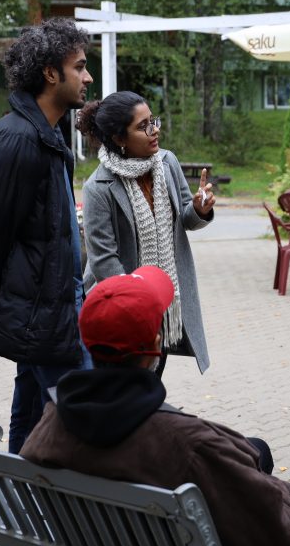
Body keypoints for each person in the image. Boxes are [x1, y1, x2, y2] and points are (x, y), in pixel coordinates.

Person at [19, 266, 290, 546]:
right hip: (252, 532)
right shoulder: (187, 442)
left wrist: (245, 458)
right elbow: (278, 536)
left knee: (257, 448)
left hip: (119, 535)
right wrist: (285, 494)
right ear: (155, 348)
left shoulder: (52, 422)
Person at [0, 18, 94, 454]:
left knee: (33, 414)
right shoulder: (18, 139)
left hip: (54, 304)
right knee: (89, 420)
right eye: (79, 67)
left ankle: (22, 493)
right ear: (50, 73)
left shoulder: (46, 133)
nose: (88, 77)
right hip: (42, 311)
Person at [76, 91, 214, 375]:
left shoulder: (167, 163)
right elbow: (103, 261)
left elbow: (186, 219)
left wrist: (199, 209)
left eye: (153, 121)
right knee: (122, 386)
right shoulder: (98, 188)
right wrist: (137, 306)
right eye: (143, 126)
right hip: (121, 308)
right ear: (119, 139)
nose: (155, 131)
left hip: (163, 300)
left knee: (150, 380)